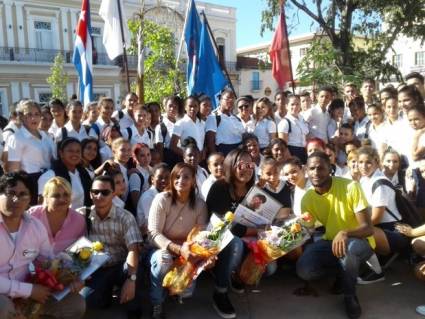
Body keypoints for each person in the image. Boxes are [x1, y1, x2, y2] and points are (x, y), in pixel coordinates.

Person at [296, 151, 375, 319]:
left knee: (348, 250)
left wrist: (345, 233)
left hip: (360, 241)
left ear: (330, 169)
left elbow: (368, 228)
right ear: (306, 171)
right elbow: (307, 230)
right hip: (330, 242)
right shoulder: (307, 198)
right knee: (304, 270)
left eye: (321, 168)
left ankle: (349, 295)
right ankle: (343, 272)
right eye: (312, 169)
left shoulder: (351, 187)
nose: (316, 173)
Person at [0, 172, 85, 319]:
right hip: (6, 295)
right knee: (4, 308)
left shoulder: (35, 226)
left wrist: (72, 277)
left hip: (30, 291)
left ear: (29, 199)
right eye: (11, 193)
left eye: (23, 194)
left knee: (75, 304)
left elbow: (49, 260)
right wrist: (28, 291)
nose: (16, 199)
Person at [148, 163, 209, 318]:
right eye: (177, 176)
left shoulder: (200, 204)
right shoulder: (162, 199)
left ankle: (173, 289)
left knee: (186, 293)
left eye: (186, 177)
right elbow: (154, 233)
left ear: (194, 180)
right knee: (163, 260)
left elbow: (201, 236)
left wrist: (204, 256)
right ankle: (157, 302)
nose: (181, 180)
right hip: (161, 249)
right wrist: (178, 249)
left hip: (187, 251)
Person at [83, 175, 143, 319]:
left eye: (105, 192)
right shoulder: (83, 215)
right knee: (89, 300)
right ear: (90, 194)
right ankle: (106, 295)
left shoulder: (125, 217)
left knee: (133, 309)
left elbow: (133, 251)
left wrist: (131, 279)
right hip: (97, 268)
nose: (99, 196)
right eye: (95, 192)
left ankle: (129, 293)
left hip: (122, 266)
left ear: (113, 193)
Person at [357, 146, 410, 258]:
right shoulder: (363, 180)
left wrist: (354, 229)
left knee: (357, 233)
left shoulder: (380, 184)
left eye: (368, 162)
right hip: (377, 227)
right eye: (360, 162)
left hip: (393, 231)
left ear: (376, 162)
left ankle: (377, 272)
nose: (363, 166)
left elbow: (376, 218)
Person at [6, 100, 56, 204]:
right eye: (29, 115)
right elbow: (13, 170)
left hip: (49, 182)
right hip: (29, 183)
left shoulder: (46, 136)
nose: (33, 118)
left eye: (37, 114)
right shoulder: (16, 138)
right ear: (22, 117)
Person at [29, 176, 86, 254]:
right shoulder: (32, 215)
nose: (62, 199)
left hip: (66, 265)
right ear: (46, 197)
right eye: (56, 195)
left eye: (66, 194)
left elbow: (80, 250)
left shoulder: (79, 220)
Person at [38, 138, 92, 210]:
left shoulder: (84, 173)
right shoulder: (50, 176)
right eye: (70, 151)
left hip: (82, 218)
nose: (75, 154)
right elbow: (42, 205)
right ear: (61, 153)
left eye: (78, 151)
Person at [205, 89, 245, 156]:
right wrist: (215, 156)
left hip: (239, 151)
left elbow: (242, 135)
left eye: (233, 99)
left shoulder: (236, 118)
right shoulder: (213, 117)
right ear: (220, 100)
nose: (231, 100)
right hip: (224, 152)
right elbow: (210, 141)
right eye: (228, 98)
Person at [137, 163, 170, 234]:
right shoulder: (148, 197)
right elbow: (152, 225)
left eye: (167, 177)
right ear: (152, 179)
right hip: (149, 237)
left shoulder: (168, 195)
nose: (163, 180)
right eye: (160, 177)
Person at [278, 94, 309, 163]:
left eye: (297, 104)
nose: (295, 107)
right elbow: (283, 145)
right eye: (292, 104)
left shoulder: (302, 119)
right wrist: (290, 159)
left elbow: (305, 137)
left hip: (304, 152)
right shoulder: (284, 122)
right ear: (286, 106)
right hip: (292, 152)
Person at [155, 95, 179, 166]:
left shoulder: (181, 123)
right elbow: (160, 149)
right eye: (170, 106)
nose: (172, 109)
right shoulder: (161, 127)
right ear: (165, 107)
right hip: (170, 160)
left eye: (175, 107)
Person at [129, 143, 151, 210]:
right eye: (142, 155)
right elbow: (136, 203)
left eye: (148, 154)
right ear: (135, 157)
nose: (146, 158)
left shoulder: (153, 170)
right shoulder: (135, 175)